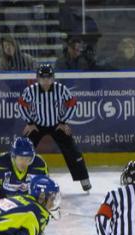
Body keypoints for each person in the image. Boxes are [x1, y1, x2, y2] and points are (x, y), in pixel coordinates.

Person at [19, 63, 92, 192]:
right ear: (37, 78)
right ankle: (18, 179)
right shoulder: (31, 90)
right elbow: (21, 105)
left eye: (48, 78)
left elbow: (72, 103)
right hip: (37, 125)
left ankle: (84, 179)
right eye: (42, 78)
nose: (46, 81)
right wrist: (30, 122)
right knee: (21, 149)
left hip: (57, 125)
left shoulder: (61, 89)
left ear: (53, 78)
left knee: (73, 151)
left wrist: (63, 122)